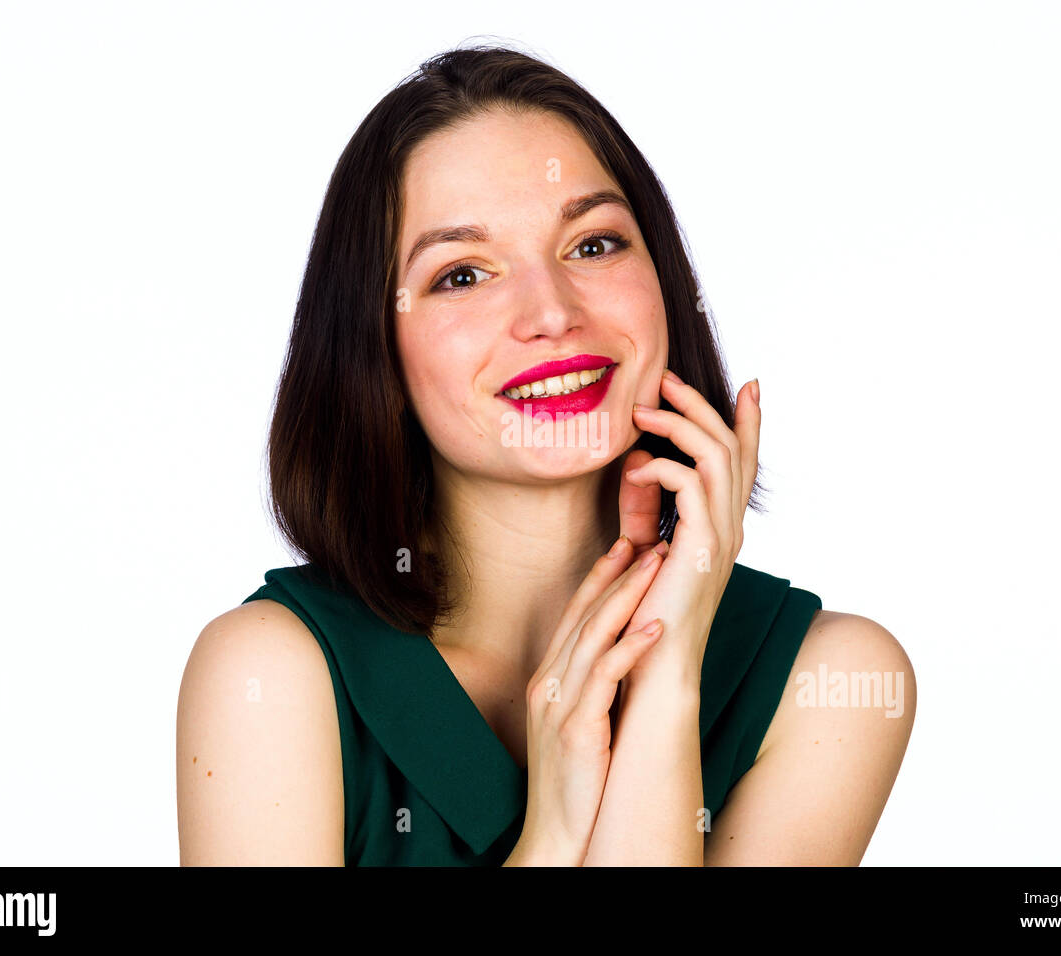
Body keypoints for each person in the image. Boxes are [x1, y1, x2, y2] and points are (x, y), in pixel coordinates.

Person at [176, 44, 916, 866]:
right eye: (463, 274)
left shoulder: (830, 683)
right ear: (372, 347)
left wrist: (664, 679)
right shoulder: (271, 677)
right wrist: (552, 836)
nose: (552, 313)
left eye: (593, 245)